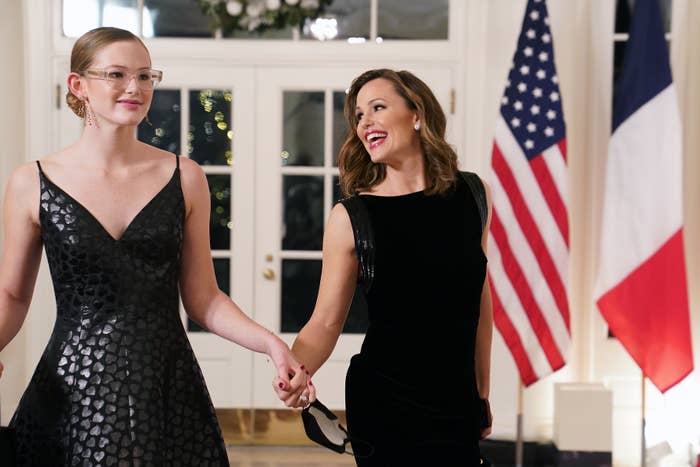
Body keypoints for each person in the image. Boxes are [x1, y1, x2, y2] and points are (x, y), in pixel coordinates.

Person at [0, 27, 313, 466]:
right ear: (78, 85)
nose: (135, 87)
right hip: (74, 385)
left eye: (146, 76)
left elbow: (204, 299)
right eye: (117, 74)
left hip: (166, 384)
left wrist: (271, 345)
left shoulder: (186, 178)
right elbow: (11, 295)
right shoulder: (31, 181)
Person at [276, 69, 494, 465]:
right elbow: (325, 322)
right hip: (386, 403)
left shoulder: (474, 195)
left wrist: (482, 391)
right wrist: (296, 371)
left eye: (378, 107)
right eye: (359, 115)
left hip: (456, 401)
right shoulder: (353, 216)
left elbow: (480, 301)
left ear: (417, 115)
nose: (365, 123)